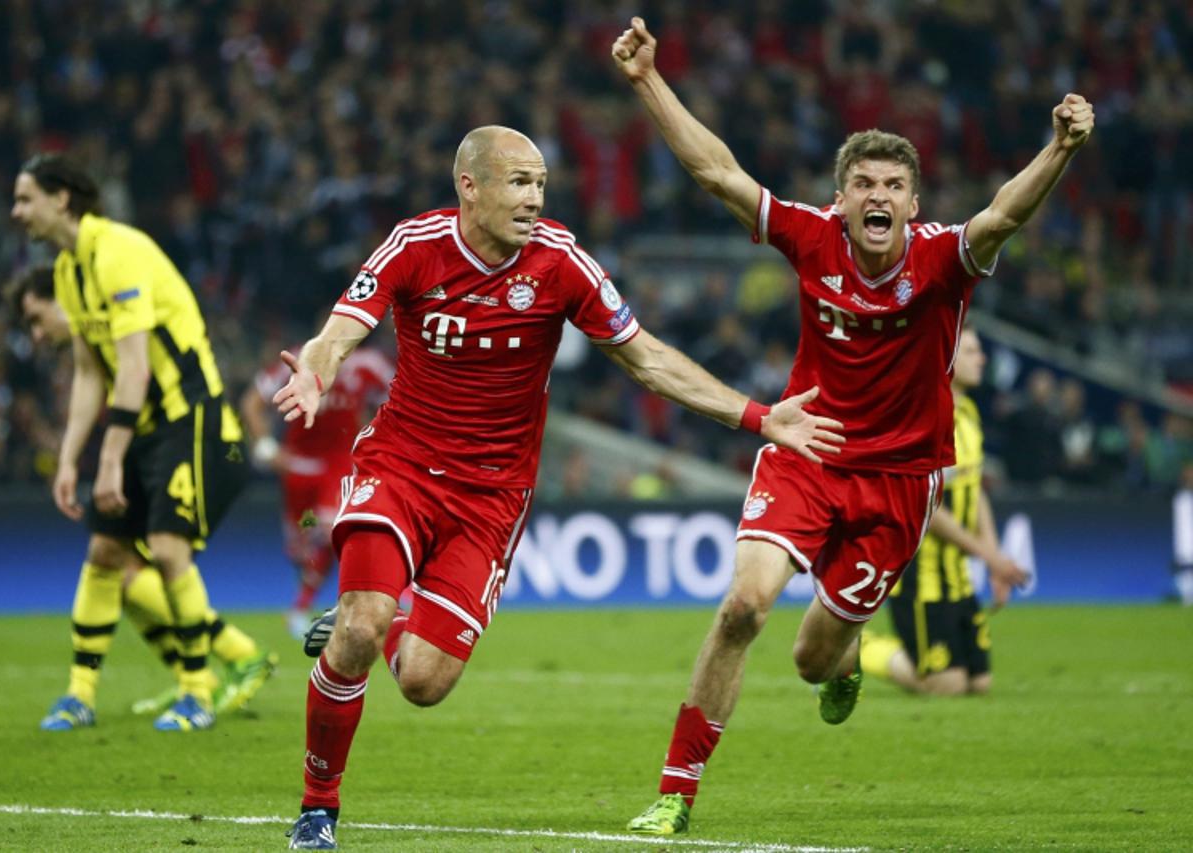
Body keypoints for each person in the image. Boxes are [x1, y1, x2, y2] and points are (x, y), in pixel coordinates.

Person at [272, 125, 845, 850]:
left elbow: (647, 360)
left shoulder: (561, 262)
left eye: (541, 183)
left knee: (423, 680)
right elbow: (341, 328)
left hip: (490, 499)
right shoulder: (415, 244)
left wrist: (759, 416)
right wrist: (315, 369)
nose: (534, 198)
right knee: (358, 625)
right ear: (469, 187)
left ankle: (393, 611)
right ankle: (318, 809)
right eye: (518, 182)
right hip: (400, 467)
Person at [611, 16, 1093, 835]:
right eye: (863, 183)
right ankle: (675, 792)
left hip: (900, 482)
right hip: (809, 446)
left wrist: (1060, 149)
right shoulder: (812, 237)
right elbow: (717, 174)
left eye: (892, 186)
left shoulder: (943, 260)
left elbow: (1003, 215)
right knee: (742, 608)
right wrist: (647, 81)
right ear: (842, 197)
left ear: (914, 202)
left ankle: (845, 665)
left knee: (810, 660)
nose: (877, 197)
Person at [10, 153, 258, 732]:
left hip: (188, 416)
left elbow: (132, 367)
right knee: (105, 554)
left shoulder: (119, 251)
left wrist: (110, 459)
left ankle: (197, 692)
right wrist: (70, 459)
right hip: (142, 426)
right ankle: (79, 694)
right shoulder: (70, 271)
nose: (17, 212)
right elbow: (89, 373)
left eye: (25, 199)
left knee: (168, 549)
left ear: (60, 199)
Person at [859, 326, 1030, 694]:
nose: (981, 358)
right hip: (919, 576)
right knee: (947, 686)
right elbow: (927, 509)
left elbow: (975, 490)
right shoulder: (924, 421)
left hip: (956, 574)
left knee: (979, 685)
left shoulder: (967, 413)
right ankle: (853, 649)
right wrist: (989, 556)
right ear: (947, 360)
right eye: (971, 351)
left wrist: (994, 556)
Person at [239, 343, 393, 639]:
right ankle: (313, 594)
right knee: (304, 546)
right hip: (298, 470)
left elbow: (400, 399)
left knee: (329, 530)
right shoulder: (297, 361)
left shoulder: (368, 363)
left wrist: (378, 441)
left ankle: (307, 607)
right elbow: (252, 402)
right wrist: (266, 447)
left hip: (339, 466)